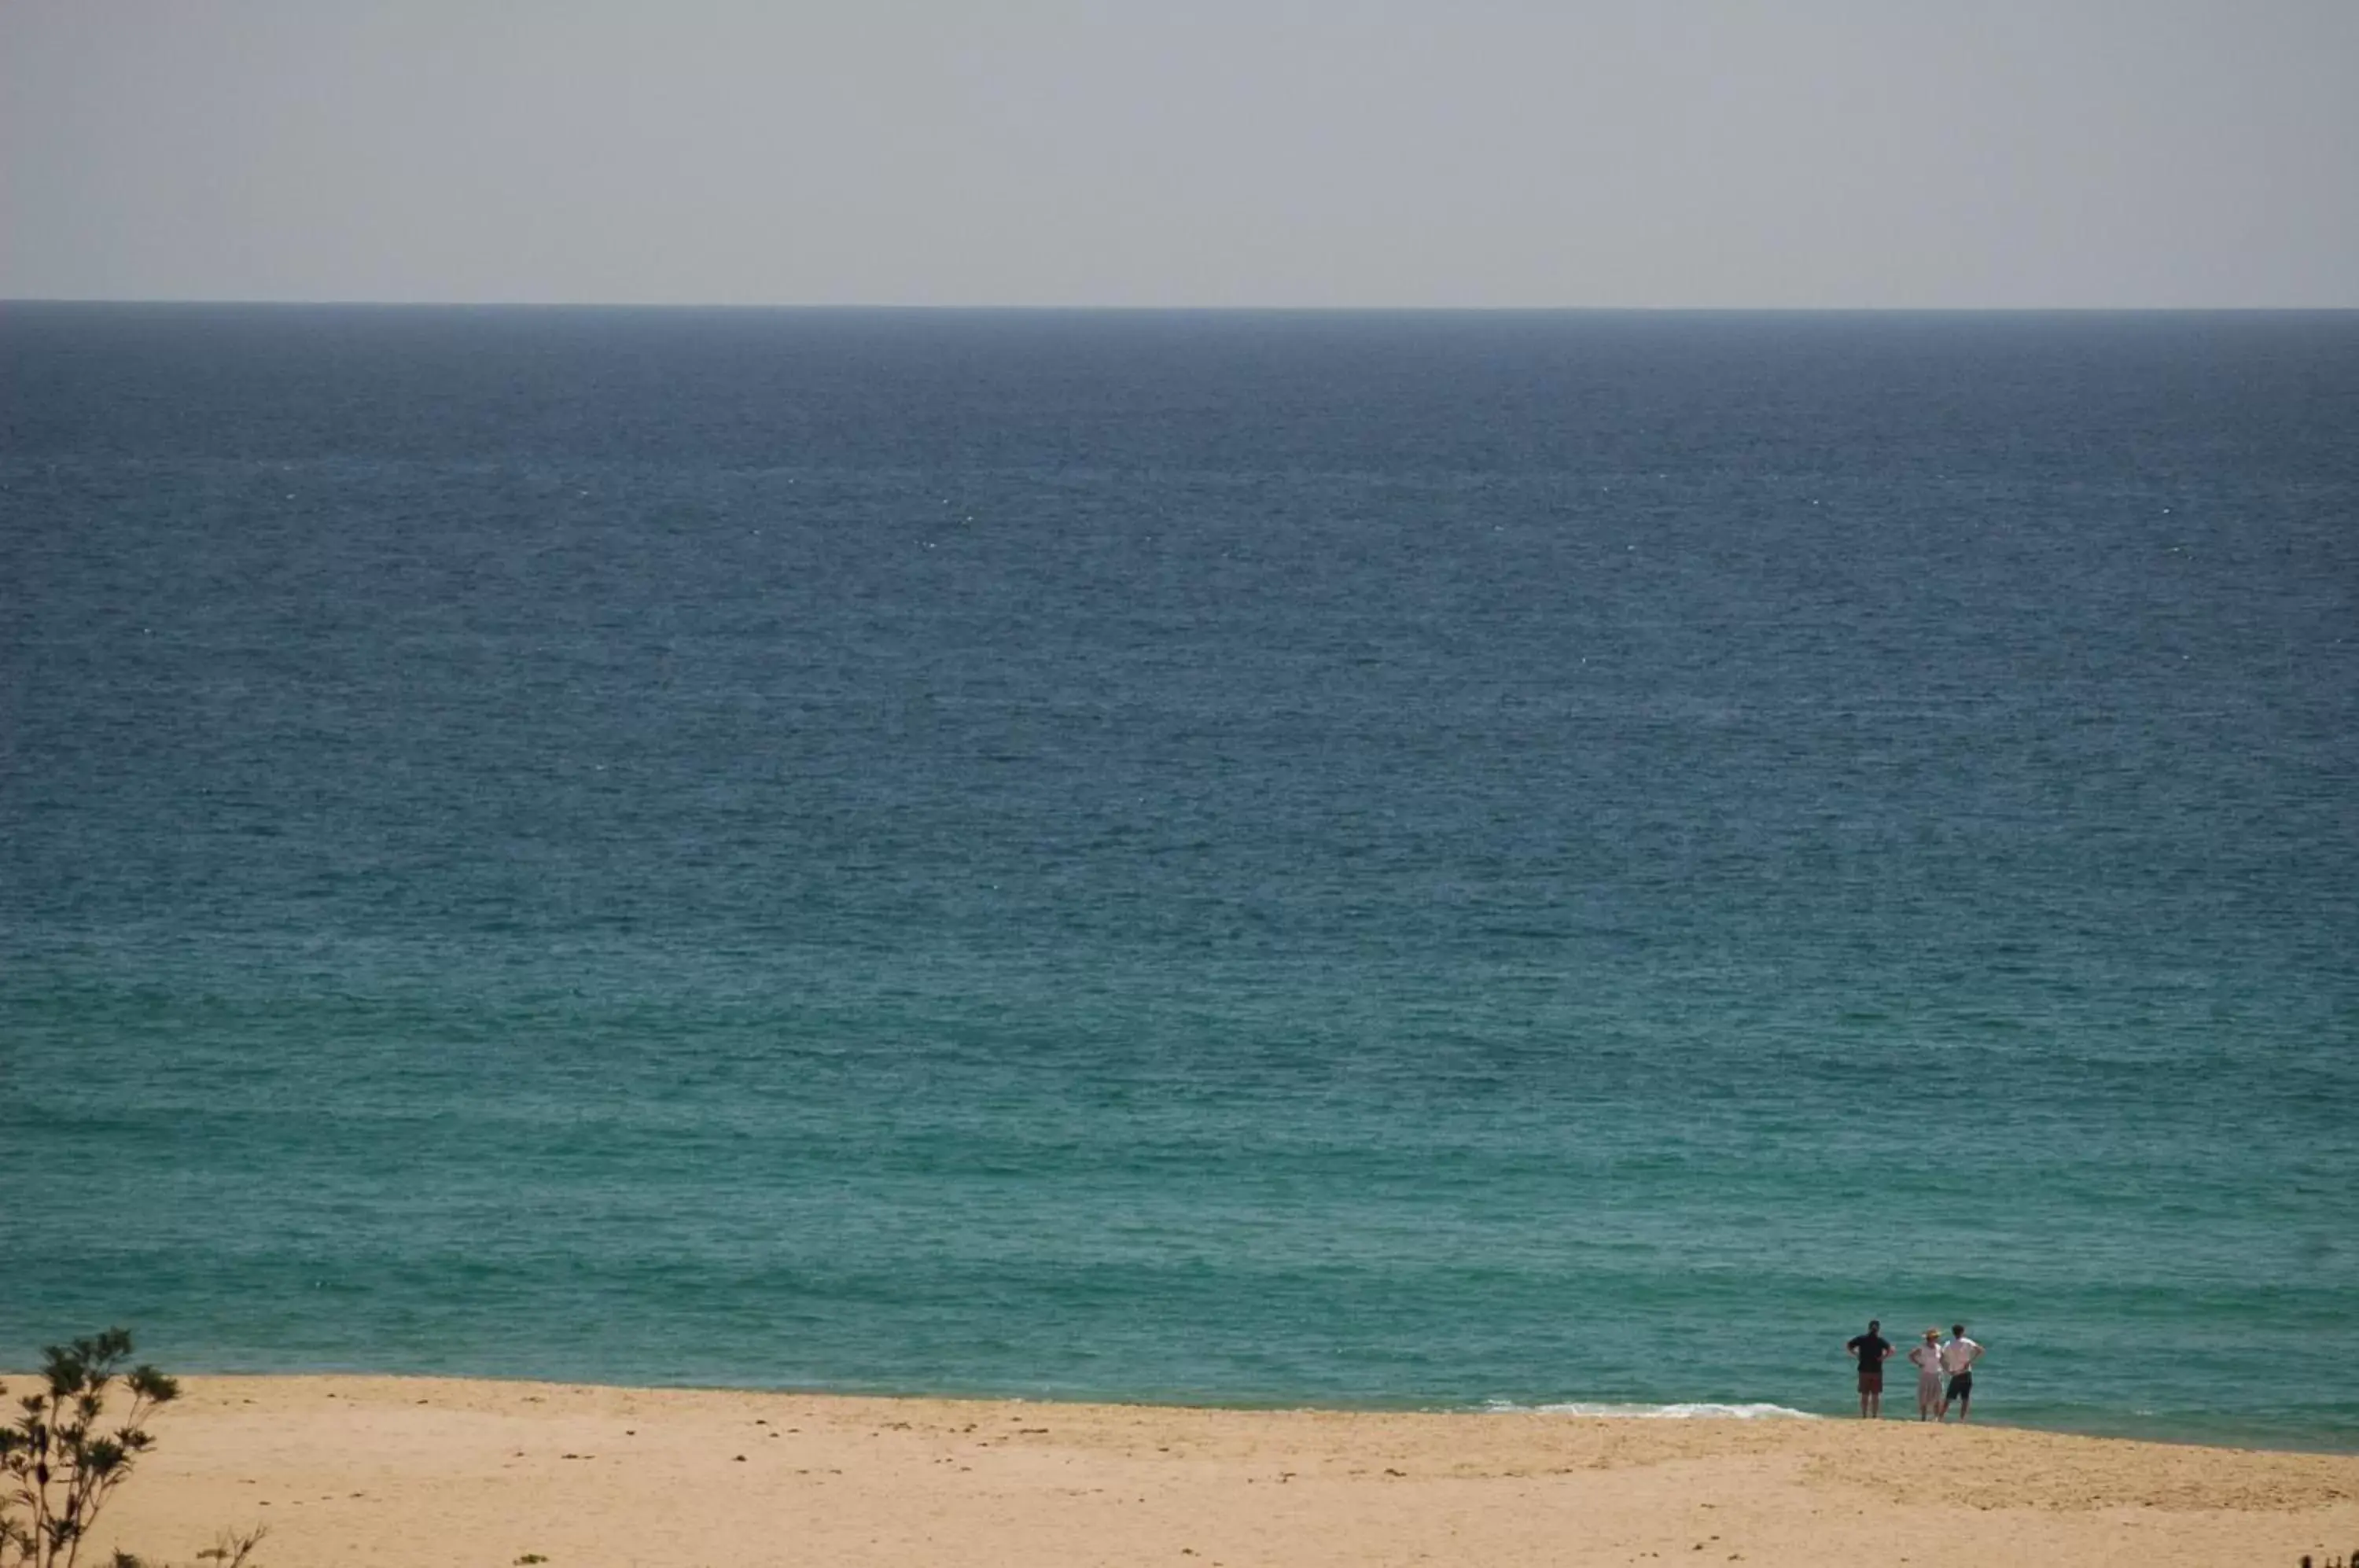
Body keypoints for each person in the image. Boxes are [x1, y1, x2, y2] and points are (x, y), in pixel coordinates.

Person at [1845, 1318, 1894, 1418]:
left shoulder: (1862, 1339)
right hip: (1876, 1370)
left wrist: (1856, 1354)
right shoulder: (1880, 1340)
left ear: (1869, 1328)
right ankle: (1874, 1415)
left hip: (1864, 1369)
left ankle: (1864, 1415)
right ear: (1878, 1329)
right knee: (1875, 1395)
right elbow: (1892, 1350)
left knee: (1864, 1394)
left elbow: (1849, 1345)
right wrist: (1883, 1357)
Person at [1941, 1323, 1984, 1421]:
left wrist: (1947, 1370)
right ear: (1962, 1332)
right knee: (1965, 1397)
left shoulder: (1948, 1344)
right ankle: (1962, 1419)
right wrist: (1970, 1361)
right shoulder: (1967, 1342)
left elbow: (1941, 1358)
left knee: (1949, 1397)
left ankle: (1941, 1417)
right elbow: (1980, 1350)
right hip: (1966, 1371)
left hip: (1955, 1372)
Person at [1907, 1327, 1945, 1420]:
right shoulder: (1922, 1348)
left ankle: (1936, 1417)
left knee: (1938, 1396)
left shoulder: (1939, 1347)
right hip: (1926, 1374)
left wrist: (1944, 1367)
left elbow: (1943, 1358)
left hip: (1937, 1374)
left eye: (1937, 1337)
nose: (1937, 1338)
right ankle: (1923, 1417)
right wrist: (1919, 1363)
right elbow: (1911, 1355)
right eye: (1935, 1337)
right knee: (1924, 1397)